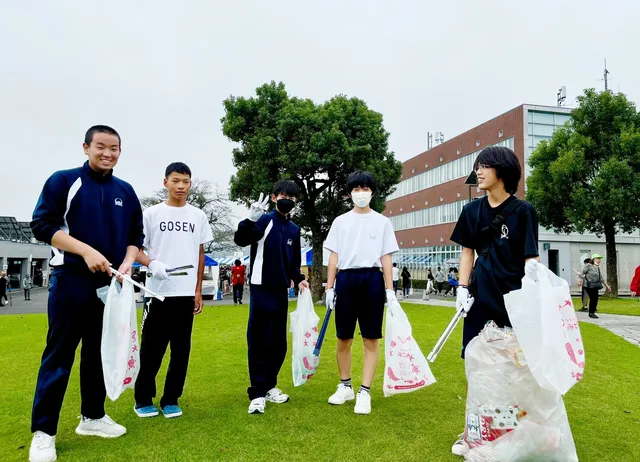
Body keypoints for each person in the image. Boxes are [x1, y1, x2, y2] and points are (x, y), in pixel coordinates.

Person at [29, 125, 143, 462]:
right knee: (59, 355)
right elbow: (43, 226)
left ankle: (92, 417)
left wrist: (127, 262)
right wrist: (87, 252)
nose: (108, 153)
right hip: (70, 281)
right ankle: (43, 432)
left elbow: (135, 236)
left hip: (110, 286)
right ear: (86, 148)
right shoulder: (64, 181)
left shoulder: (126, 190)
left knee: (98, 353)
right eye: (101, 147)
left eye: (115, 148)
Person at [449, 146, 540, 457]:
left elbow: (531, 257)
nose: (479, 171)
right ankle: (471, 433)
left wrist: (535, 285)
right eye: (478, 166)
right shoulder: (471, 211)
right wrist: (462, 288)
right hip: (477, 299)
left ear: (503, 172)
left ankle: (506, 433)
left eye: (485, 166)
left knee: (510, 370)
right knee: (476, 367)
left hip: (512, 302)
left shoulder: (524, 211)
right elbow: (467, 252)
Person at [133, 162, 212, 419]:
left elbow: (199, 254)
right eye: (176, 180)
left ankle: (171, 399)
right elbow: (136, 249)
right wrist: (151, 264)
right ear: (165, 182)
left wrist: (198, 289)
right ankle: (143, 398)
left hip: (185, 294)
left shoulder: (198, 216)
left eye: (185, 181)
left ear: (190, 184)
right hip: (157, 293)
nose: (181, 186)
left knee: (181, 350)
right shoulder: (151, 214)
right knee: (152, 350)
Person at [324, 171, 399, 415]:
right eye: (356, 189)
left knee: (370, 338)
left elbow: (385, 257)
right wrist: (330, 286)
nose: (361, 193)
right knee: (343, 338)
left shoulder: (382, 222)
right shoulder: (340, 221)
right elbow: (333, 256)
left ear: (372, 192)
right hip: (346, 279)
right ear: (349, 193)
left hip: (372, 280)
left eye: (365, 188)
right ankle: (345, 385)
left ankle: (364, 391)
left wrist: (390, 290)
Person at [234, 180, 309, 415]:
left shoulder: (294, 229)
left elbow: (293, 263)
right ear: (274, 197)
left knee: (278, 343)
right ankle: (256, 392)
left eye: (293, 198)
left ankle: (269, 386)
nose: (288, 200)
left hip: (280, 291)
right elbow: (241, 239)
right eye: (283, 195)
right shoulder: (265, 221)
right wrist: (249, 220)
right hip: (260, 288)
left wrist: (299, 279)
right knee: (259, 341)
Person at [582, 254, 611, 319]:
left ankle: (592, 312)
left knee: (595, 299)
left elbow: (601, 278)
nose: (599, 260)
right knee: (593, 298)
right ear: (593, 259)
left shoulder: (597, 267)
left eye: (600, 259)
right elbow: (582, 273)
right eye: (597, 259)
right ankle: (591, 313)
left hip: (595, 285)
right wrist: (579, 280)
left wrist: (607, 286)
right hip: (588, 285)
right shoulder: (588, 265)